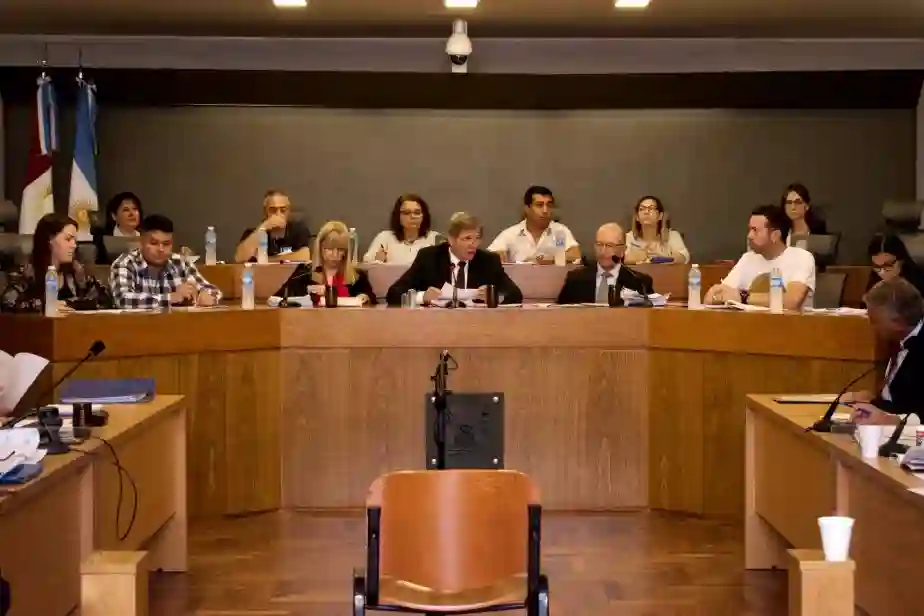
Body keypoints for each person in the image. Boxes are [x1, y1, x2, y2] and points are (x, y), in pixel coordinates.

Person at [386, 212, 523, 306]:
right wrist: (422, 297)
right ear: (451, 239)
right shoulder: (429, 258)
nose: (473, 244)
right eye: (467, 238)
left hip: (477, 325)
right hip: (436, 325)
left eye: (477, 238)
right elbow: (394, 293)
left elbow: (515, 294)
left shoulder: (488, 260)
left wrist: (493, 296)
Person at [705, 205, 816, 310]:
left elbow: (792, 301)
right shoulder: (748, 258)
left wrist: (743, 297)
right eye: (749, 230)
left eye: (755, 230)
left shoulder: (801, 257)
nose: (749, 236)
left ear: (775, 235)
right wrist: (718, 296)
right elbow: (712, 297)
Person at [844, 278, 924, 424]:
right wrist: (873, 400)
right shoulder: (897, 340)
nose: (871, 325)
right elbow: (900, 397)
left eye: (874, 320)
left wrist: (893, 420)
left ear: (898, 322)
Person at [0, 213, 112, 313]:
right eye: (68, 239)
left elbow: (104, 300)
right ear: (49, 240)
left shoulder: (77, 273)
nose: (74, 245)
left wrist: (72, 305)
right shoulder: (29, 273)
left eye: (75, 241)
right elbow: (7, 303)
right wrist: (42, 306)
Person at [110, 214, 221, 309]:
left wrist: (205, 295)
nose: (161, 249)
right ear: (141, 242)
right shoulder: (125, 264)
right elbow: (123, 299)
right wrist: (171, 297)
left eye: (166, 244)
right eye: (154, 243)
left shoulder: (181, 263)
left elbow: (214, 291)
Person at [276, 221, 375, 305]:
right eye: (330, 249)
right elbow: (279, 297)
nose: (335, 254)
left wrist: (365, 297)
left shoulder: (357, 276)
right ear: (320, 247)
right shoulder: (304, 273)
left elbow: (372, 300)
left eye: (340, 249)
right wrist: (307, 291)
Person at [557, 223, 654, 304]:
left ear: (622, 250)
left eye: (609, 246)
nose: (603, 251)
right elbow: (560, 313)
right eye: (599, 245)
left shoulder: (639, 282)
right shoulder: (575, 279)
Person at [487, 186, 581, 264]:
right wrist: (499, 257)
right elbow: (491, 256)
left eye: (549, 205)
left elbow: (575, 255)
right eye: (539, 205)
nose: (545, 210)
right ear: (527, 209)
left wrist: (552, 259)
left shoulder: (559, 232)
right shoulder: (512, 233)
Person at [235, 190, 312, 263]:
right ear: (265, 212)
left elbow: (304, 257)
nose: (278, 214)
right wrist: (263, 227)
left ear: (288, 211)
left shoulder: (299, 230)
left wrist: (266, 260)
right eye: (273, 210)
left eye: (283, 210)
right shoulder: (253, 233)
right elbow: (239, 258)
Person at [363, 194, 439, 264]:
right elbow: (366, 264)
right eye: (406, 213)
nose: (412, 216)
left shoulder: (435, 239)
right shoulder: (385, 238)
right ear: (398, 216)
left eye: (417, 212)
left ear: (424, 216)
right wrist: (377, 262)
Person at [624, 196, 690, 265]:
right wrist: (641, 255)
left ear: (660, 216)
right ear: (637, 217)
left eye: (651, 208)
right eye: (642, 209)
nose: (646, 212)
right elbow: (623, 259)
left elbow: (683, 258)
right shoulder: (629, 237)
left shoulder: (672, 235)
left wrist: (662, 257)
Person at [865, 233, 924, 297]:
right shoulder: (874, 281)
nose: (882, 272)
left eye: (888, 265)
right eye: (877, 266)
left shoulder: (918, 280)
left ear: (901, 260)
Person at [93, 192, 144, 264]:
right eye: (126, 210)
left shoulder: (146, 237)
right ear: (114, 216)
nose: (132, 214)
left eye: (135, 209)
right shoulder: (101, 240)